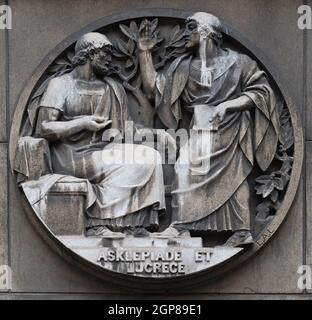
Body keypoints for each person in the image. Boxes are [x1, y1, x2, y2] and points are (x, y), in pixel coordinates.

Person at [138, 12, 279, 247]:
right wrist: (144, 53)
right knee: (184, 169)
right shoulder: (183, 67)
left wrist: (229, 105)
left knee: (234, 177)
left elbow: (262, 92)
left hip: (232, 127)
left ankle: (242, 231)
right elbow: (154, 90)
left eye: (190, 28)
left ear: (207, 32)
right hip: (201, 125)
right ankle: (181, 226)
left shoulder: (240, 63)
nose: (184, 34)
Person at [28, 32, 166, 238]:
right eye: (105, 54)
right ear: (89, 54)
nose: (109, 60)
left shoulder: (111, 88)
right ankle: (96, 222)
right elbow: (44, 128)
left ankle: (131, 222)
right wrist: (82, 123)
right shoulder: (61, 85)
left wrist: (158, 135)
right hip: (70, 156)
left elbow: (127, 129)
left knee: (150, 157)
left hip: (102, 151)